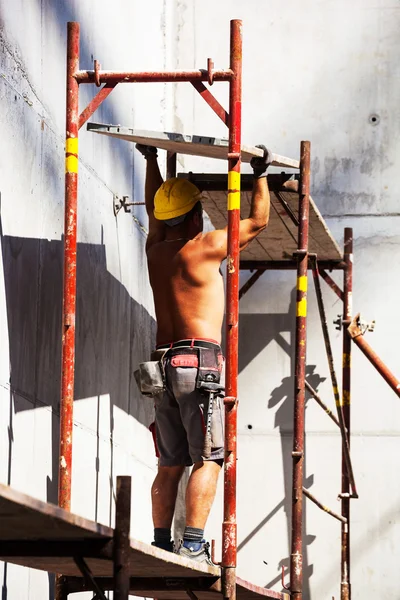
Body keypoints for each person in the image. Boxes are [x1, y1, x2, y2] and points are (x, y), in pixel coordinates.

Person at [135, 142, 272, 564]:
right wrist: (260, 173)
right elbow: (259, 221)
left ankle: (161, 542)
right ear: (195, 214)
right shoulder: (209, 244)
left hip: (161, 364)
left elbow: (154, 214)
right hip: (199, 362)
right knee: (209, 458)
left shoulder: (155, 250)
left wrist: (152, 160)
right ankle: (193, 544)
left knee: (169, 462)